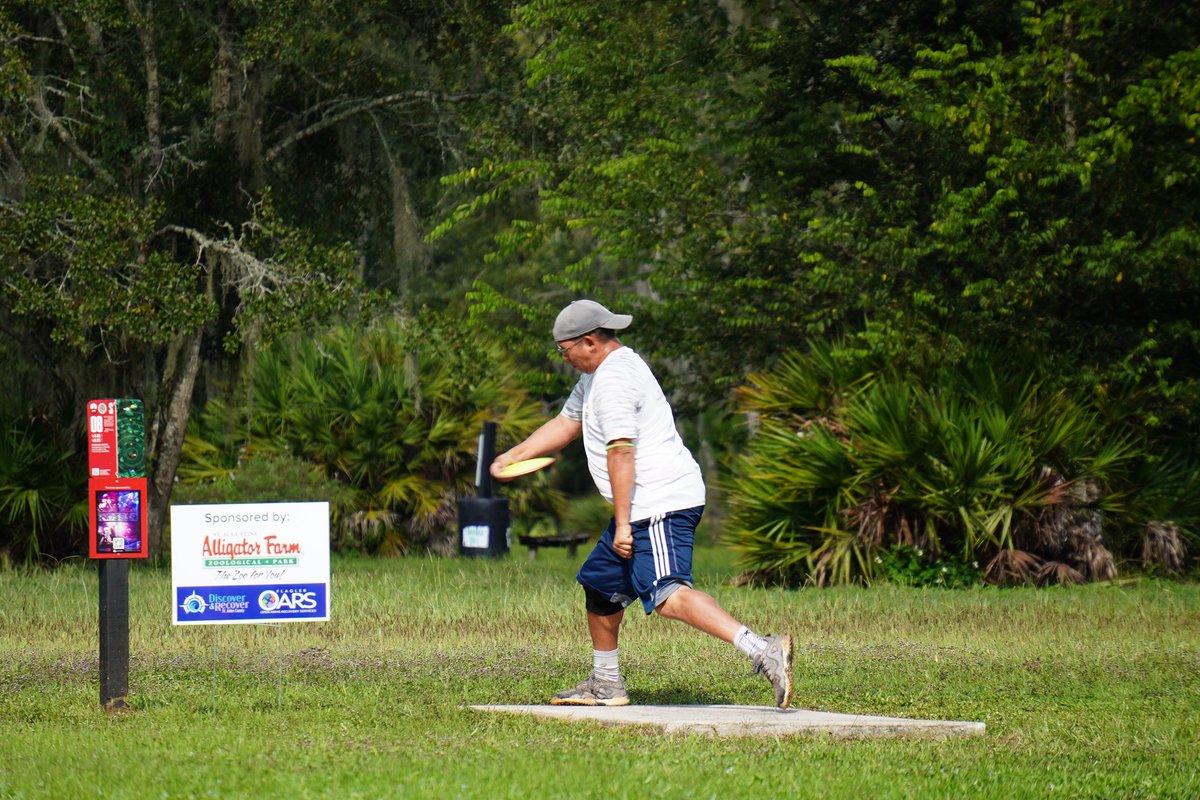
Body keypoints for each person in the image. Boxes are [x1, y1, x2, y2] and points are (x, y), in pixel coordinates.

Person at [491, 299, 794, 709]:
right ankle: (605, 682)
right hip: (643, 505)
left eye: (565, 351)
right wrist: (513, 456)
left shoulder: (616, 380)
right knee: (600, 588)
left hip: (659, 503)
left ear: (589, 341)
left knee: (669, 594)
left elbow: (621, 452)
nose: (564, 359)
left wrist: (620, 525)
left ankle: (762, 649)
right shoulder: (598, 376)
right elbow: (565, 424)